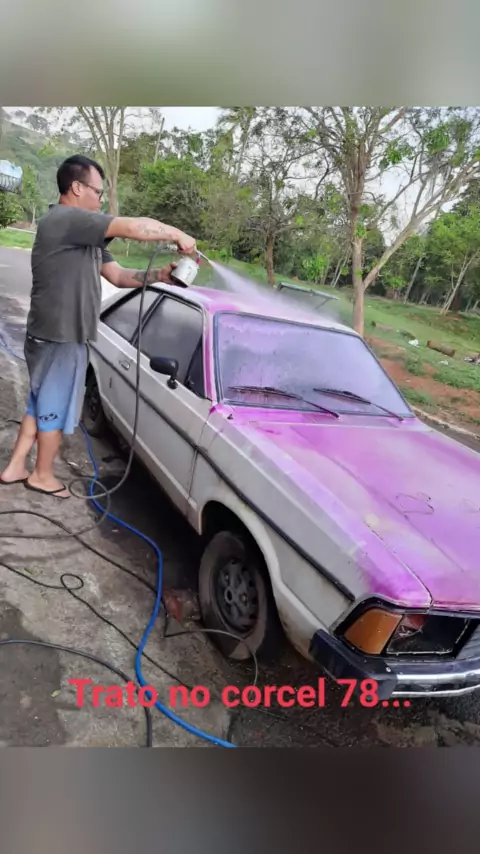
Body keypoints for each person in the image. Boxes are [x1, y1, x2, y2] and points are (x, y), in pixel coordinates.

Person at [0, 154, 197, 498]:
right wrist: (177, 233)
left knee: (40, 400)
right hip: (62, 335)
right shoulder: (66, 219)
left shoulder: (83, 235)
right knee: (54, 407)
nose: (101, 199)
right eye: (98, 191)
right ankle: (42, 475)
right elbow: (133, 227)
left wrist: (160, 275)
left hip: (51, 332)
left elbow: (118, 276)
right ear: (77, 188)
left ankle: (16, 466)